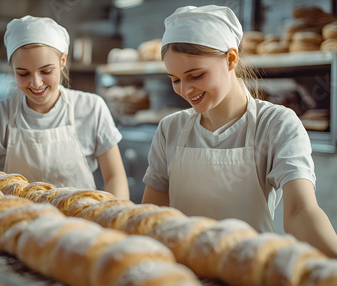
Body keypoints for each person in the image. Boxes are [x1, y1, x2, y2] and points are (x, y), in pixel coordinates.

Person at [141, 5, 337, 257]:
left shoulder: (275, 124)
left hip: (250, 269)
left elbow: (300, 211)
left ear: (231, 58)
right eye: (175, 79)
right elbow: (150, 216)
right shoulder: (171, 128)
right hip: (183, 272)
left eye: (196, 75)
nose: (185, 90)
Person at [0, 15, 129, 199]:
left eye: (46, 71)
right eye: (23, 73)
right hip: (19, 227)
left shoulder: (91, 108)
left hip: (80, 226)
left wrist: (115, 215)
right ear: (12, 68)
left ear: (62, 61)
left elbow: (114, 177)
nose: (36, 83)